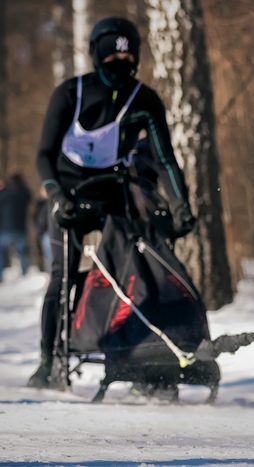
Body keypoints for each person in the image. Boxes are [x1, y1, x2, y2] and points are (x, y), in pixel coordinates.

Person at [28, 17, 196, 389]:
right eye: (110, 59)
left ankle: (137, 357)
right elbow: (43, 154)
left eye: (127, 57)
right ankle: (46, 358)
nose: (119, 65)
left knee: (131, 272)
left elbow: (166, 160)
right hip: (70, 194)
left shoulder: (145, 101)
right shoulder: (70, 94)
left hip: (114, 195)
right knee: (63, 274)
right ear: (95, 57)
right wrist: (56, 194)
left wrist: (181, 205)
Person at [0, 173, 32, 283]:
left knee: (2, 255)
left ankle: (0, 276)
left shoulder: (5, 195)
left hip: (5, 228)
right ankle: (24, 274)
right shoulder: (22, 193)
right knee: (21, 253)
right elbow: (29, 197)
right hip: (19, 227)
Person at [33, 186, 52, 272]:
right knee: (48, 257)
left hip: (49, 233)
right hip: (45, 233)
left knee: (51, 256)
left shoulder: (49, 203)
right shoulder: (40, 204)